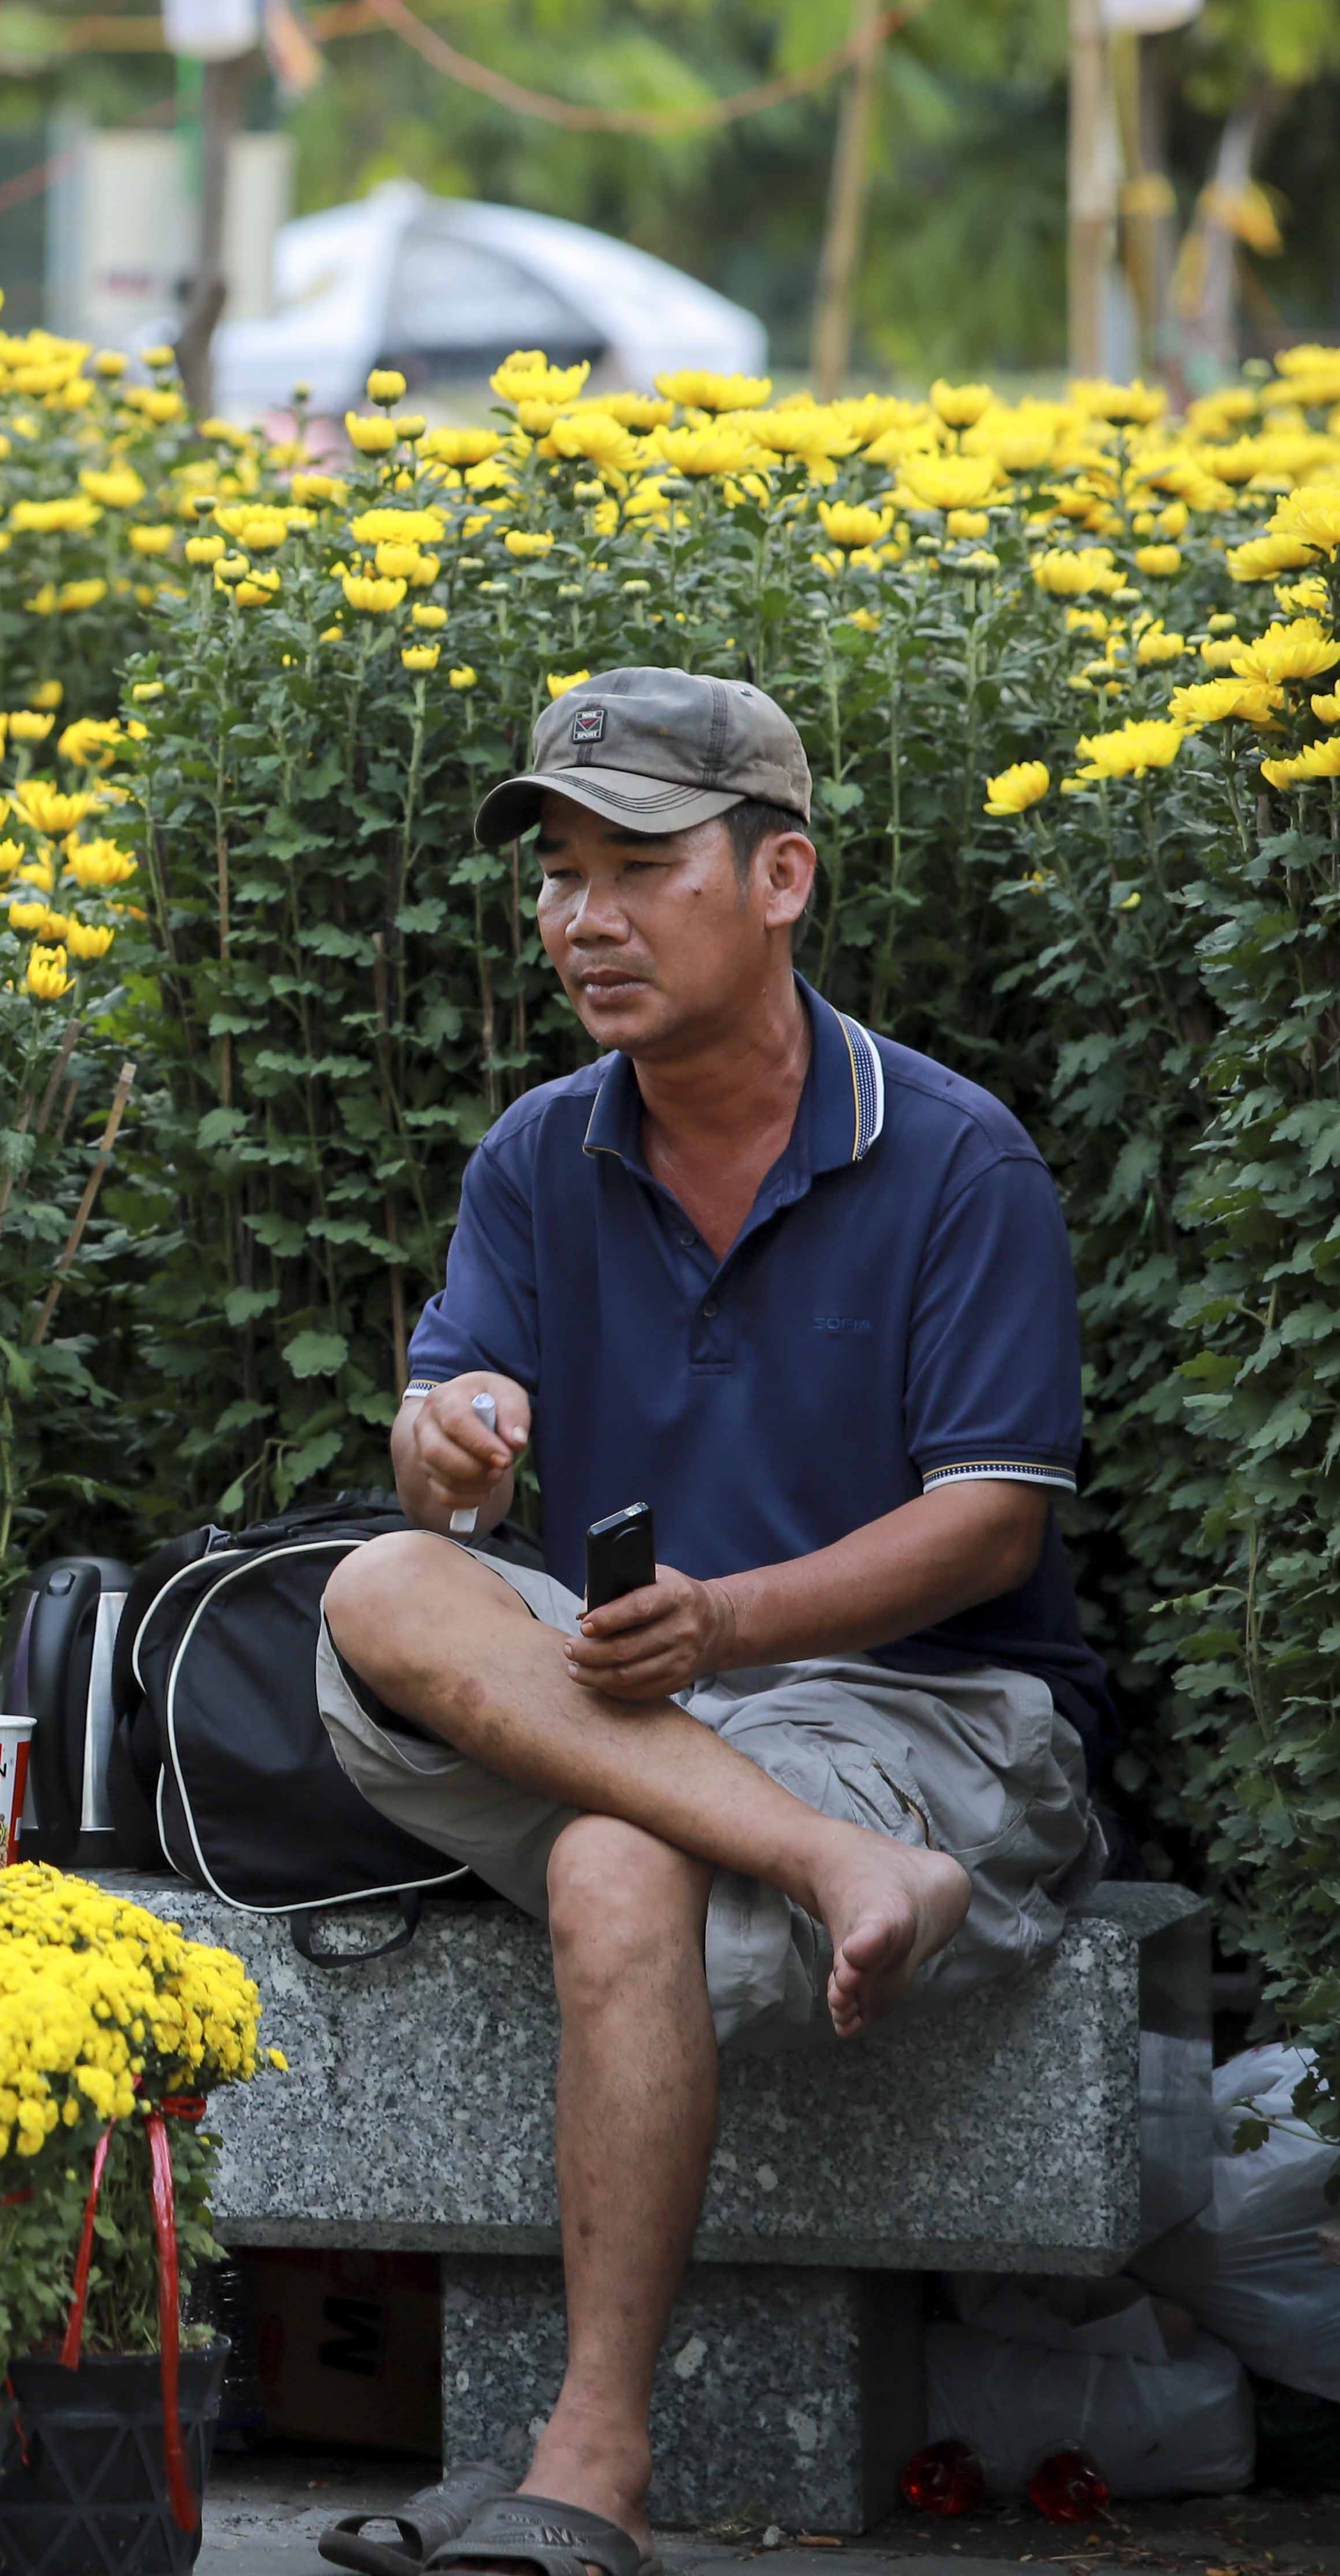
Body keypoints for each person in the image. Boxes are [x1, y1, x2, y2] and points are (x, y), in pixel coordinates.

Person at [312, 670, 1107, 2576]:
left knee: (610, 1867)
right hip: (665, 1709)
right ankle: (838, 1870)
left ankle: (585, 2463)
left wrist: (728, 1622)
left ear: (780, 879)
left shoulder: (953, 1157)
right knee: (373, 1583)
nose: (585, 919)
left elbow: (993, 1527)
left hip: (931, 1719)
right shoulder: (538, 1154)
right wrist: (451, 1450)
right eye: (560, 877)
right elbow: (454, 1468)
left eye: (639, 869)